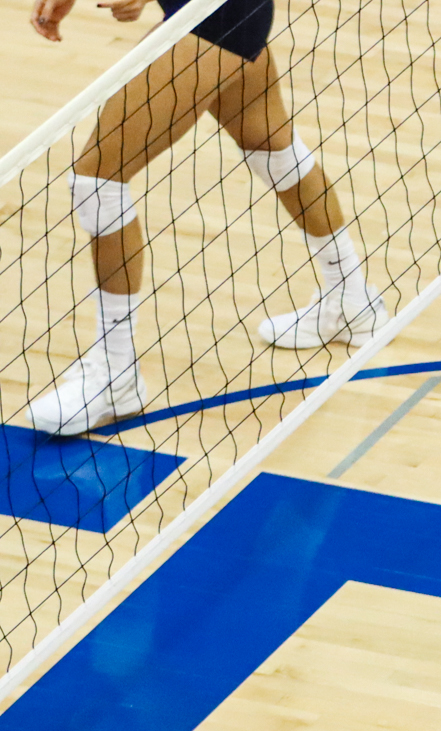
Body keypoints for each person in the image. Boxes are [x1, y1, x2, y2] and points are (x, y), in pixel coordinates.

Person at [24, 0, 385, 436]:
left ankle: (115, 373)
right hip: (230, 10)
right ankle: (351, 300)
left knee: (98, 181)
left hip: (210, 14)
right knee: (271, 149)